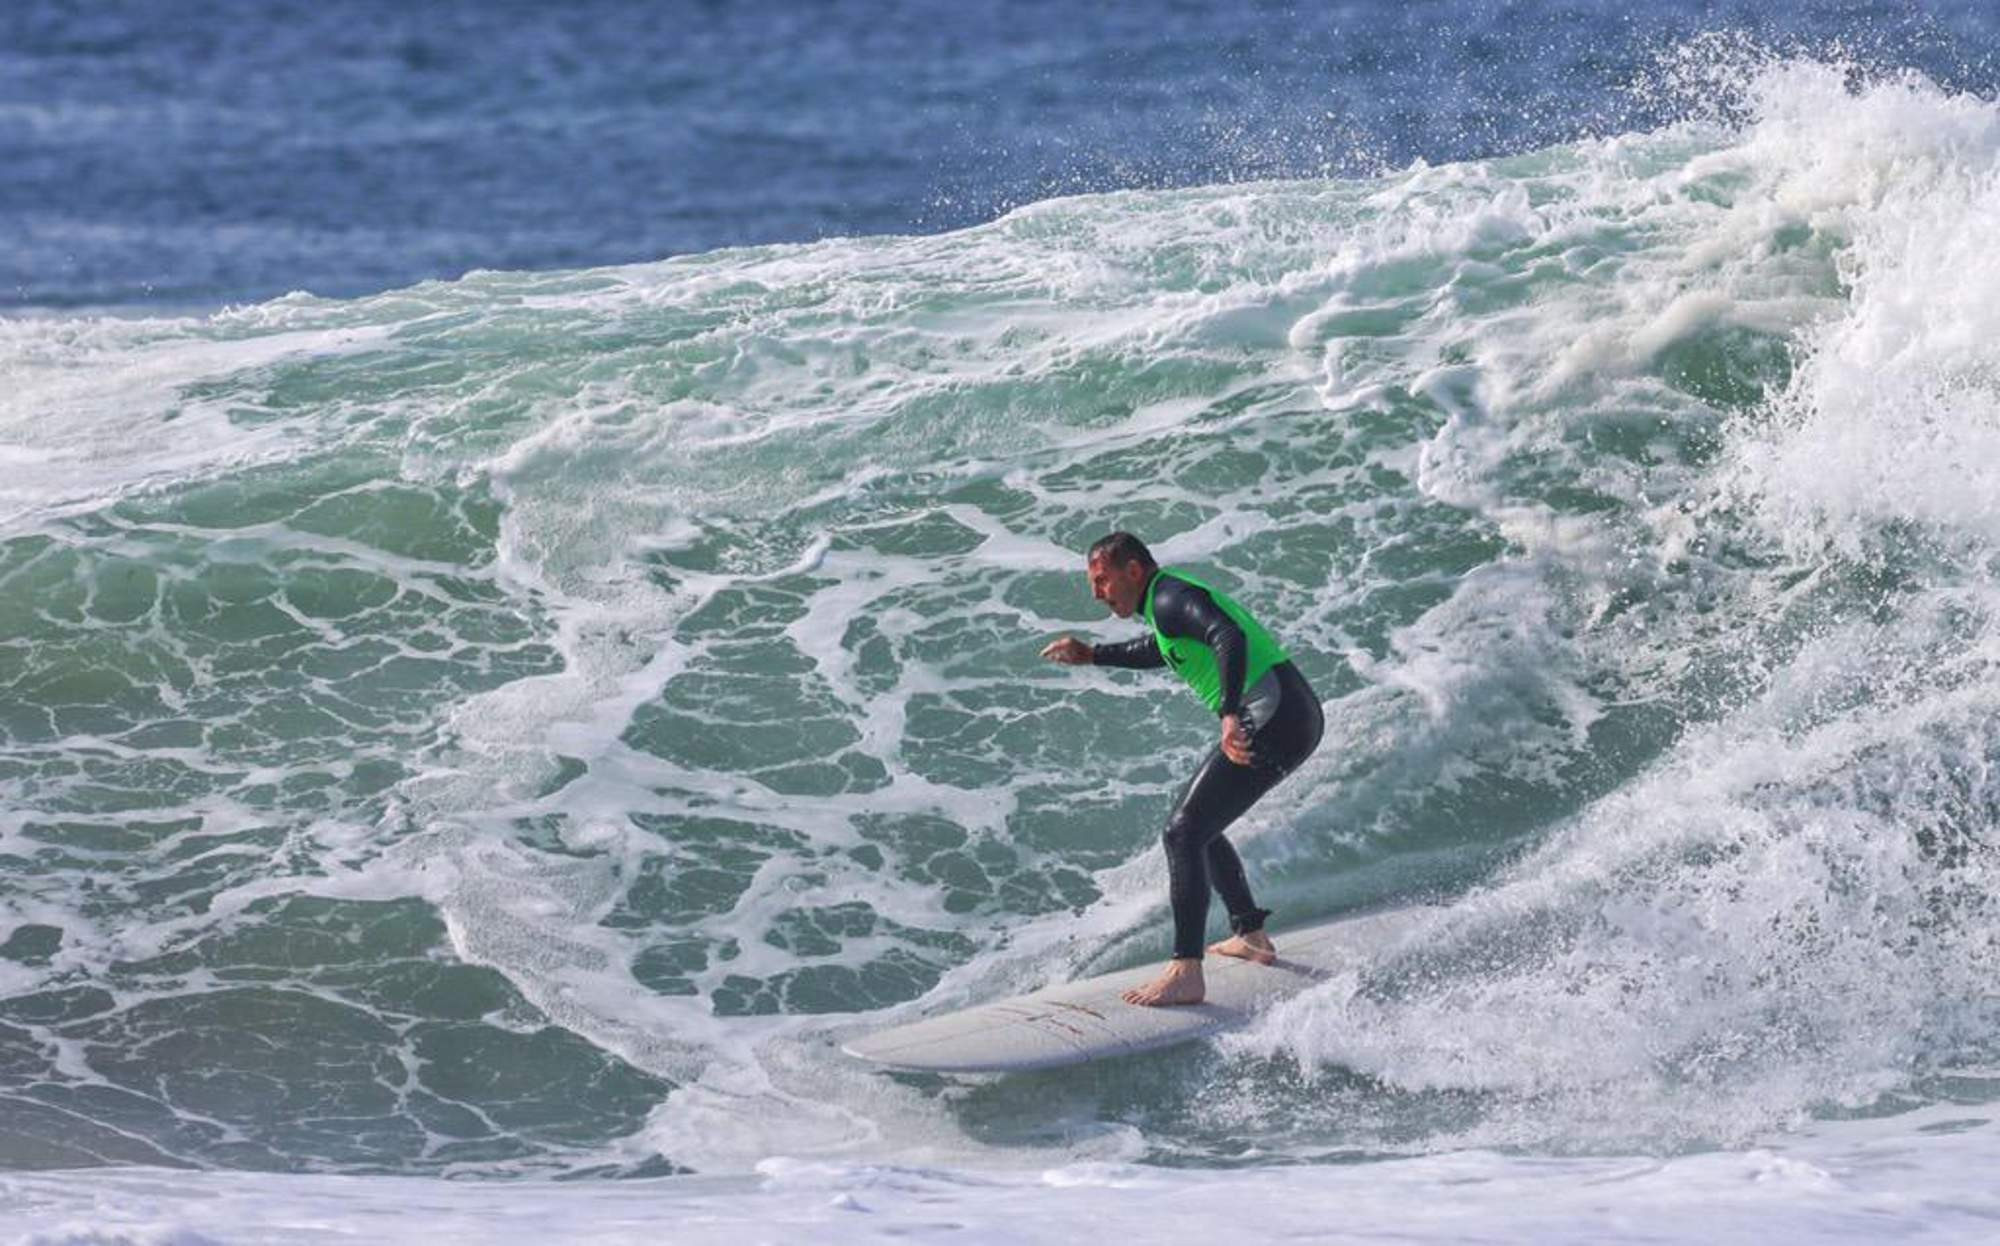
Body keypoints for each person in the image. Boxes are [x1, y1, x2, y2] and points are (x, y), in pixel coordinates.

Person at [1040, 532, 1325, 1007]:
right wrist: (1094, 654)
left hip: (1275, 713)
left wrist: (1230, 712)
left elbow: (1225, 635)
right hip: (1289, 712)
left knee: (1183, 833)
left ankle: (1186, 971)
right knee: (1198, 829)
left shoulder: (1171, 596)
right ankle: (1250, 935)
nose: (1097, 593)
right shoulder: (1165, 606)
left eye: (1103, 581)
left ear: (1133, 571)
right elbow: (1161, 649)